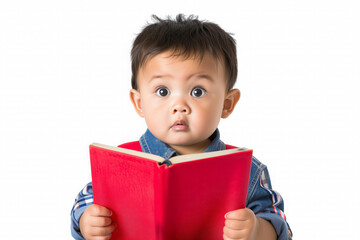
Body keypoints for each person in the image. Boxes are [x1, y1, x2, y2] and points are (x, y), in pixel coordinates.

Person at [71, 14, 293, 240]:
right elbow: (85, 202)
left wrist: (257, 230)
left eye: (198, 91)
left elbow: (279, 225)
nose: (179, 106)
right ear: (139, 103)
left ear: (227, 104)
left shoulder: (247, 170)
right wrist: (87, 220)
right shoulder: (121, 162)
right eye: (162, 91)